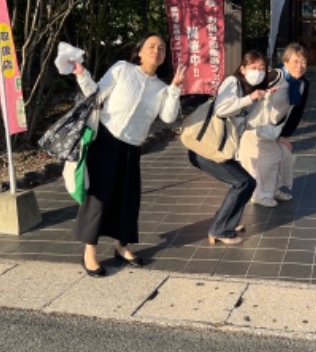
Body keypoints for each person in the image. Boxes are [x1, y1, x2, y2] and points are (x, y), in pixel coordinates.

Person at [71, 33, 185, 276]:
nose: (157, 50)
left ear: (165, 57)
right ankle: (89, 252)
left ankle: (121, 246)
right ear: (140, 51)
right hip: (106, 139)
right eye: (151, 46)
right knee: (99, 197)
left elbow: (168, 117)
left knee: (127, 199)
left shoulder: (162, 88)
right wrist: (82, 73)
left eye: (162, 48)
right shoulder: (123, 69)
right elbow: (97, 95)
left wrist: (175, 89)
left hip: (132, 147)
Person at [189, 50, 273, 245]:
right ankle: (220, 229)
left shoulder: (248, 91)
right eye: (253, 67)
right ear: (242, 68)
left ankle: (224, 224)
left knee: (245, 183)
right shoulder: (233, 83)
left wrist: (263, 100)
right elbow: (221, 109)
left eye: (262, 68)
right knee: (243, 183)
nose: (258, 71)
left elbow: (250, 123)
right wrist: (251, 98)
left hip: (222, 149)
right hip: (206, 149)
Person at [241, 43, 310, 208]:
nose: (300, 66)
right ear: (285, 62)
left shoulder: (302, 84)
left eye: (303, 62)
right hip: (255, 126)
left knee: (284, 153)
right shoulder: (273, 76)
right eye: (295, 61)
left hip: (273, 130)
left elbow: (296, 113)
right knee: (272, 156)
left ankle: (274, 189)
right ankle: (260, 195)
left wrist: (283, 135)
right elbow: (247, 91)